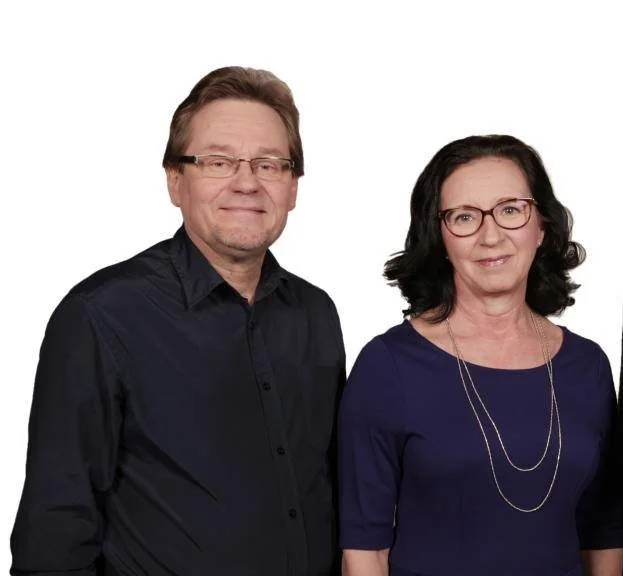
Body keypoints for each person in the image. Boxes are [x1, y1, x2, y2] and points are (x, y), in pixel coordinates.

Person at [11, 66, 345, 575]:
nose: (247, 182)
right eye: (218, 162)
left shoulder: (315, 314)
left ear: (293, 187)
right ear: (175, 180)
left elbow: (333, 484)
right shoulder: (101, 315)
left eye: (269, 164)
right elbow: (55, 525)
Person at [338, 135, 623, 576]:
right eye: (465, 217)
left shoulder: (588, 366)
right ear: (439, 237)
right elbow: (363, 551)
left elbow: (603, 533)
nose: (491, 236)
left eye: (511, 210)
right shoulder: (388, 365)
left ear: (541, 226)